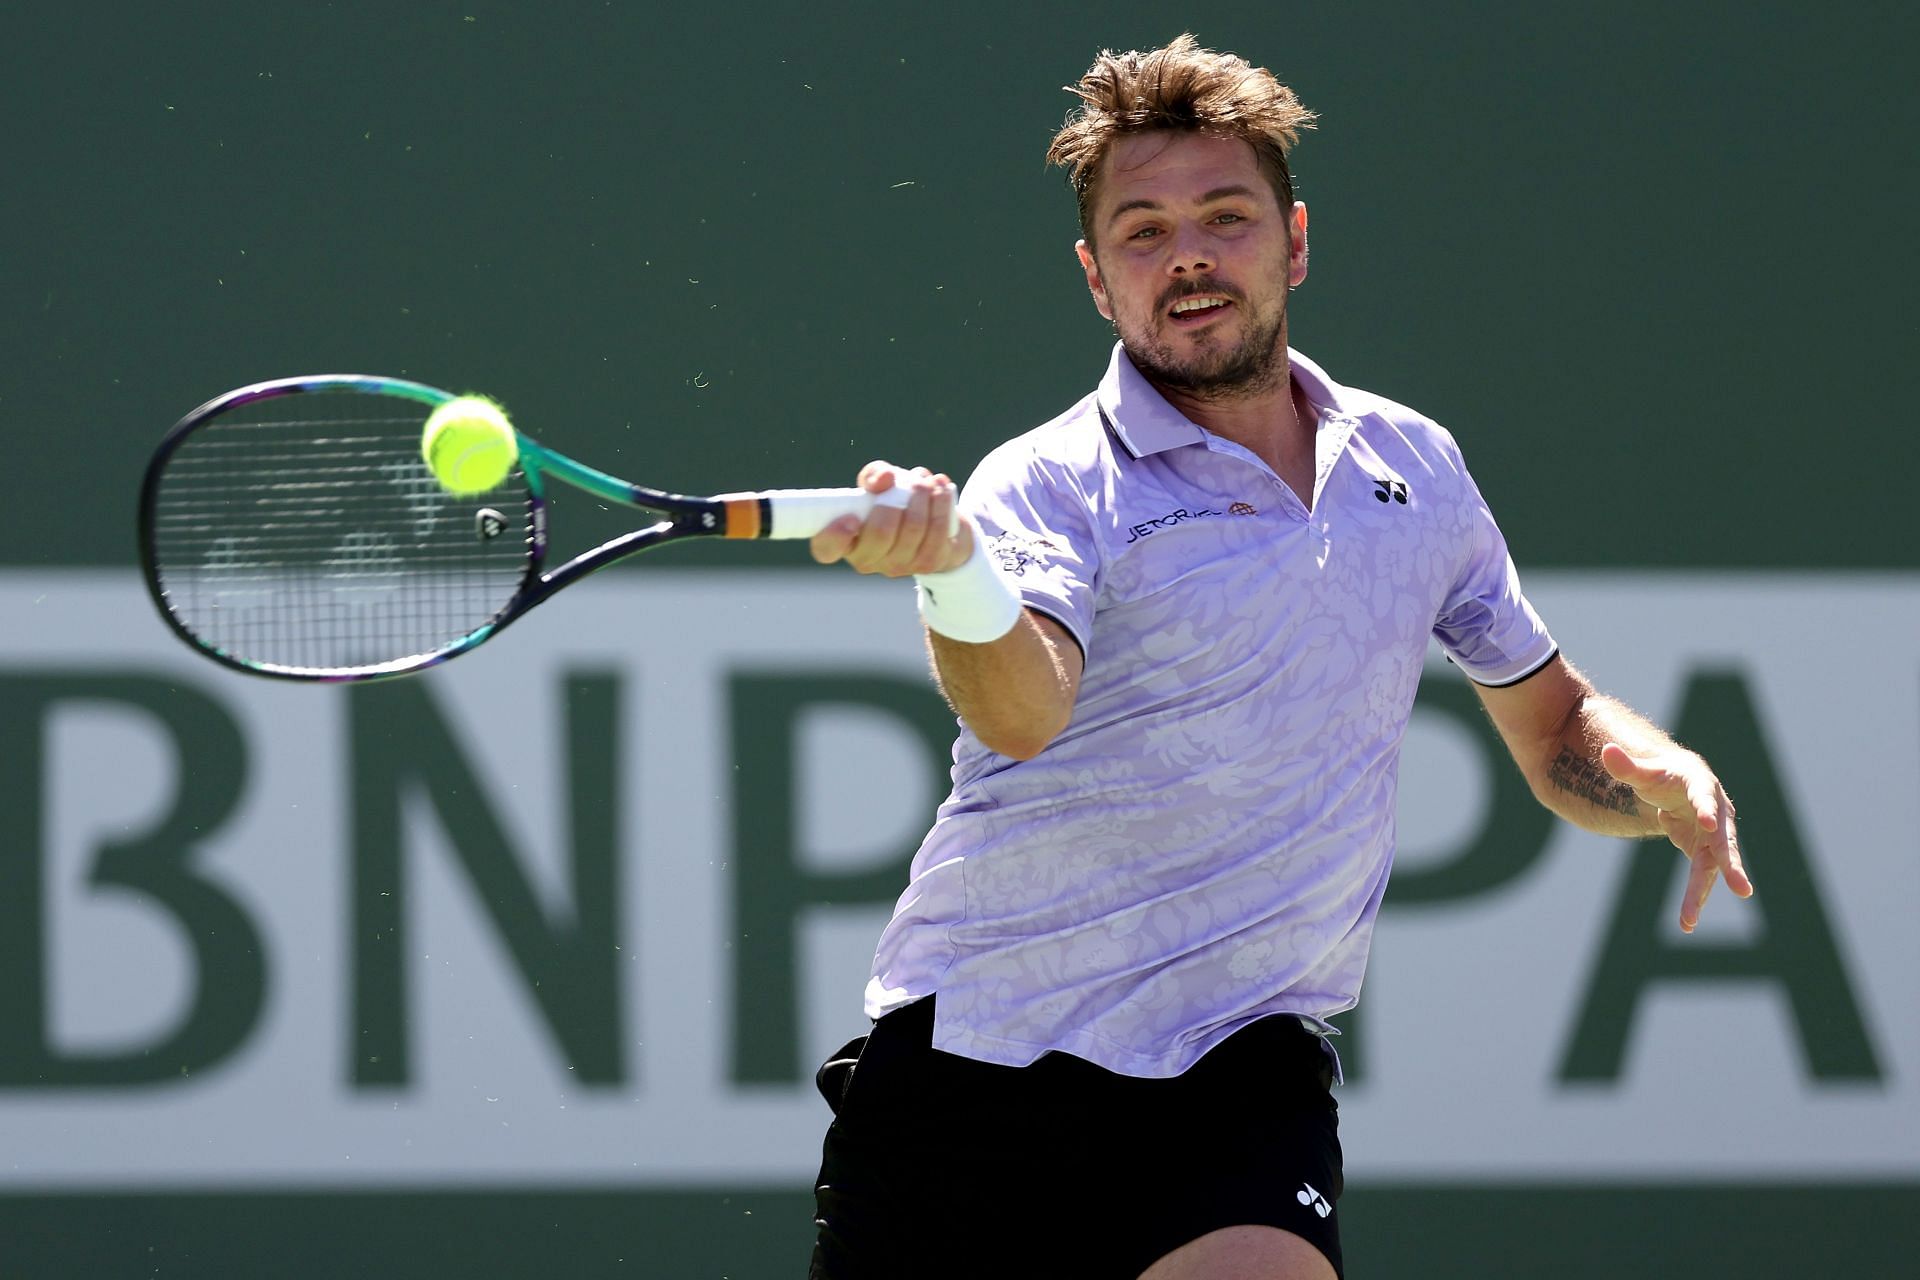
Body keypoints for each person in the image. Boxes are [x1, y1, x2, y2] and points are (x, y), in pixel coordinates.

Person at [804, 34, 1750, 1280]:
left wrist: (1658, 770)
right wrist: (953, 575)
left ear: (1294, 241)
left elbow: (1555, 723)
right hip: (980, 1063)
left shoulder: (1412, 466)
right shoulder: (1046, 480)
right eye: (1141, 231)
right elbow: (1024, 708)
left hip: (1239, 1066)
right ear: (1097, 279)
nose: (1187, 252)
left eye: (1225, 216)